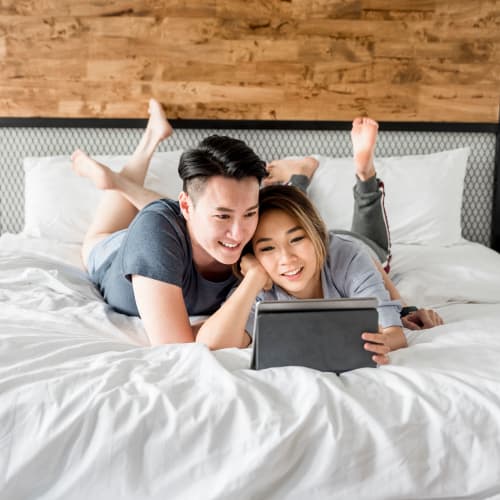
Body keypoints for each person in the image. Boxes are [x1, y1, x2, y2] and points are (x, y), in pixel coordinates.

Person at [72, 100, 441, 348]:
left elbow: (343, 250)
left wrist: (402, 310)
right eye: (222, 216)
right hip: (111, 256)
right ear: (188, 204)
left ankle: (138, 165)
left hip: (180, 220)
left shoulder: (262, 235)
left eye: (248, 213)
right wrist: (251, 279)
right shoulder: (157, 235)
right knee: (103, 235)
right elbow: (179, 347)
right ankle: (145, 146)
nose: (238, 234)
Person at [196, 183, 406, 364]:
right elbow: (211, 343)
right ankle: (297, 177)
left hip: (361, 246)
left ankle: (363, 181)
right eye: (267, 248)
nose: (286, 258)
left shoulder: (348, 256)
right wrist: (253, 278)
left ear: (316, 234)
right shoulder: (260, 282)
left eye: (297, 239)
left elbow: (394, 333)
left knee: (375, 250)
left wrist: (384, 341)